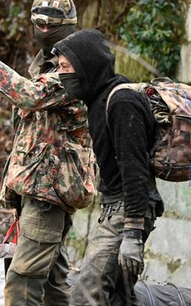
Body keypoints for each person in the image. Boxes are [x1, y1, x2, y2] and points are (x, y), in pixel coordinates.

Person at [0, 0, 97, 306]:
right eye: (38, 24)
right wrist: (17, 190)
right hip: (40, 187)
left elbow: (31, 97)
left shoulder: (75, 69)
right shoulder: (46, 65)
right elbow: (30, 131)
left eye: (52, 25)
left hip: (50, 192)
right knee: (53, 284)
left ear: (69, 26)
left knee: (22, 281)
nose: (44, 30)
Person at [52, 29, 165, 305]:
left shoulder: (121, 103)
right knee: (119, 299)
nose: (60, 74)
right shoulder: (98, 100)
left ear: (86, 66)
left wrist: (132, 235)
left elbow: (135, 171)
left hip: (127, 211)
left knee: (86, 293)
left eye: (66, 67)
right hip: (115, 208)